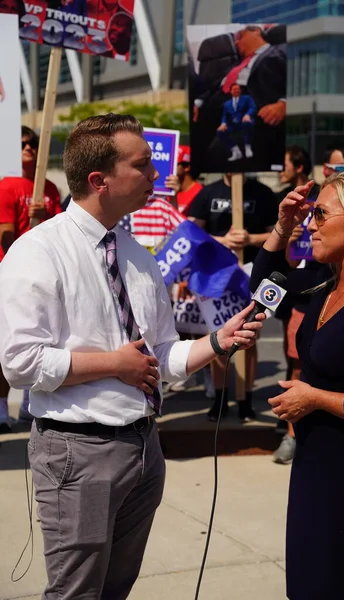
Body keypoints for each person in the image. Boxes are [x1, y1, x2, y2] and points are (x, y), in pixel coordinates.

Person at [0, 113, 264, 600]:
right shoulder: (36, 251)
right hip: (76, 453)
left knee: (116, 589)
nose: (156, 176)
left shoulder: (137, 254)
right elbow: (19, 363)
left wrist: (218, 342)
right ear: (100, 180)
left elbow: (160, 354)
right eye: (142, 166)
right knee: (76, 592)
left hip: (144, 449)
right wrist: (113, 364)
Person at [250, 172, 344, 600]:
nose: (310, 225)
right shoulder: (322, 284)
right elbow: (263, 288)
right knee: (307, 584)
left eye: (319, 214)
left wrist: (313, 397)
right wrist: (282, 226)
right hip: (315, 466)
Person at [188, 173, 278, 421]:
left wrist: (251, 239)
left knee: (250, 337)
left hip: (252, 274)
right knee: (217, 337)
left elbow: (278, 234)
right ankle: (219, 399)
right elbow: (191, 234)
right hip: (217, 277)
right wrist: (222, 241)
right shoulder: (208, 193)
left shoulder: (263, 194)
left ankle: (246, 400)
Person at [0, 125, 62, 432]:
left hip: (45, 274)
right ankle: (1, 406)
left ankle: (29, 403)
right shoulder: (7, 186)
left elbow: (59, 231)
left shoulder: (50, 188)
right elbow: (5, 235)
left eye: (34, 143)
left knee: (44, 338)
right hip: (13, 274)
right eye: (23, 143)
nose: (29, 147)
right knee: (10, 341)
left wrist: (45, 217)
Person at [273, 146, 319, 464]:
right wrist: (290, 238)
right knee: (298, 369)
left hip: (327, 299)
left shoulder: (330, 200)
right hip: (301, 304)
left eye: (341, 167)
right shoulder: (290, 204)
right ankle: (292, 434)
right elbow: (291, 262)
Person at [191, 24, 286, 172]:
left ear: (256, 32)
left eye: (240, 37)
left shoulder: (278, 52)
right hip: (211, 110)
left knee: (217, 154)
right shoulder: (235, 65)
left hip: (241, 110)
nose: (235, 43)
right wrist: (198, 102)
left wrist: (283, 103)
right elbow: (216, 87)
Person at [216, 83, 256, 162]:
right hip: (233, 124)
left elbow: (252, 107)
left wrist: (248, 114)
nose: (236, 91)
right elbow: (224, 115)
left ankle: (247, 146)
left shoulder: (247, 98)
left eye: (238, 89)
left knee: (247, 123)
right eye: (234, 89)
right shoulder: (226, 103)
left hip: (245, 120)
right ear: (230, 91)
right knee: (220, 131)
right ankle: (236, 152)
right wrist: (223, 123)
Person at [175, 145, 203, 216]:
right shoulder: (167, 191)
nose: (169, 166)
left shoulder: (200, 193)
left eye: (174, 163)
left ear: (187, 167)